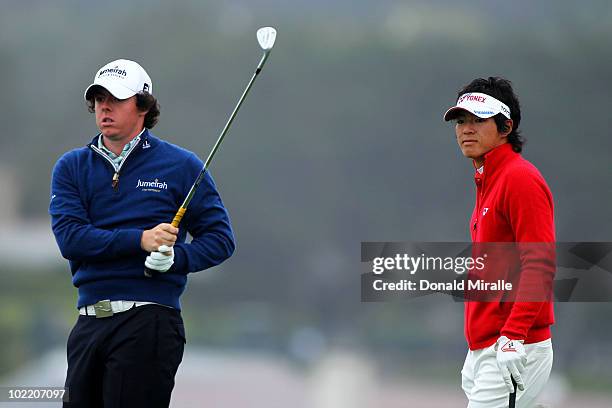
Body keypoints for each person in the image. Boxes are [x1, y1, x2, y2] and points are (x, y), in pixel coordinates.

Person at [49, 59, 235, 407]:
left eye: (116, 99)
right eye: (99, 98)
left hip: (149, 321)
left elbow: (221, 239)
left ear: (143, 106)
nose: (104, 107)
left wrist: (177, 259)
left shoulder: (181, 166)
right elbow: (71, 240)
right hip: (88, 324)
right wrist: (141, 239)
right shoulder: (72, 167)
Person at [443, 77, 555, 407]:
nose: (466, 129)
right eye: (461, 121)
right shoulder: (489, 179)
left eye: (478, 120)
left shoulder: (519, 179)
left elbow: (541, 263)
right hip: (487, 347)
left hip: (512, 347)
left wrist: (513, 336)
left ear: (506, 127)